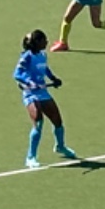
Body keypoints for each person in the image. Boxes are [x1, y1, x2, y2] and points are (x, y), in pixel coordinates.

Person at [14, 29, 76, 168]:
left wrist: (53, 78)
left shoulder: (42, 55)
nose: (47, 42)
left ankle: (60, 146)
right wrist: (29, 82)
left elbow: (45, 68)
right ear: (36, 42)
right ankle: (30, 157)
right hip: (30, 93)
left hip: (43, 92)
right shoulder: (26, 57)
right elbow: (17, 74)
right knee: (38, 122)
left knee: (57, 121)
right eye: (44, 40)